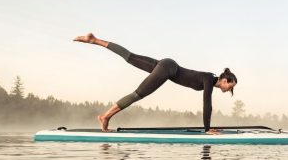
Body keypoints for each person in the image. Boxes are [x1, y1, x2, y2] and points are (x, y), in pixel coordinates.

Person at [73, 33, 237, 133]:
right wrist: (207, 129)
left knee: (130, 57)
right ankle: (105, 116)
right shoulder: (209, 79)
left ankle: (94, 40)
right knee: (138, 94)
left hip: (167, 64)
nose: (228, 90)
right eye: (230, 86)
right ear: (224, 80)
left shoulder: (210, 77)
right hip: (168, 69)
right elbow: (207, 104)